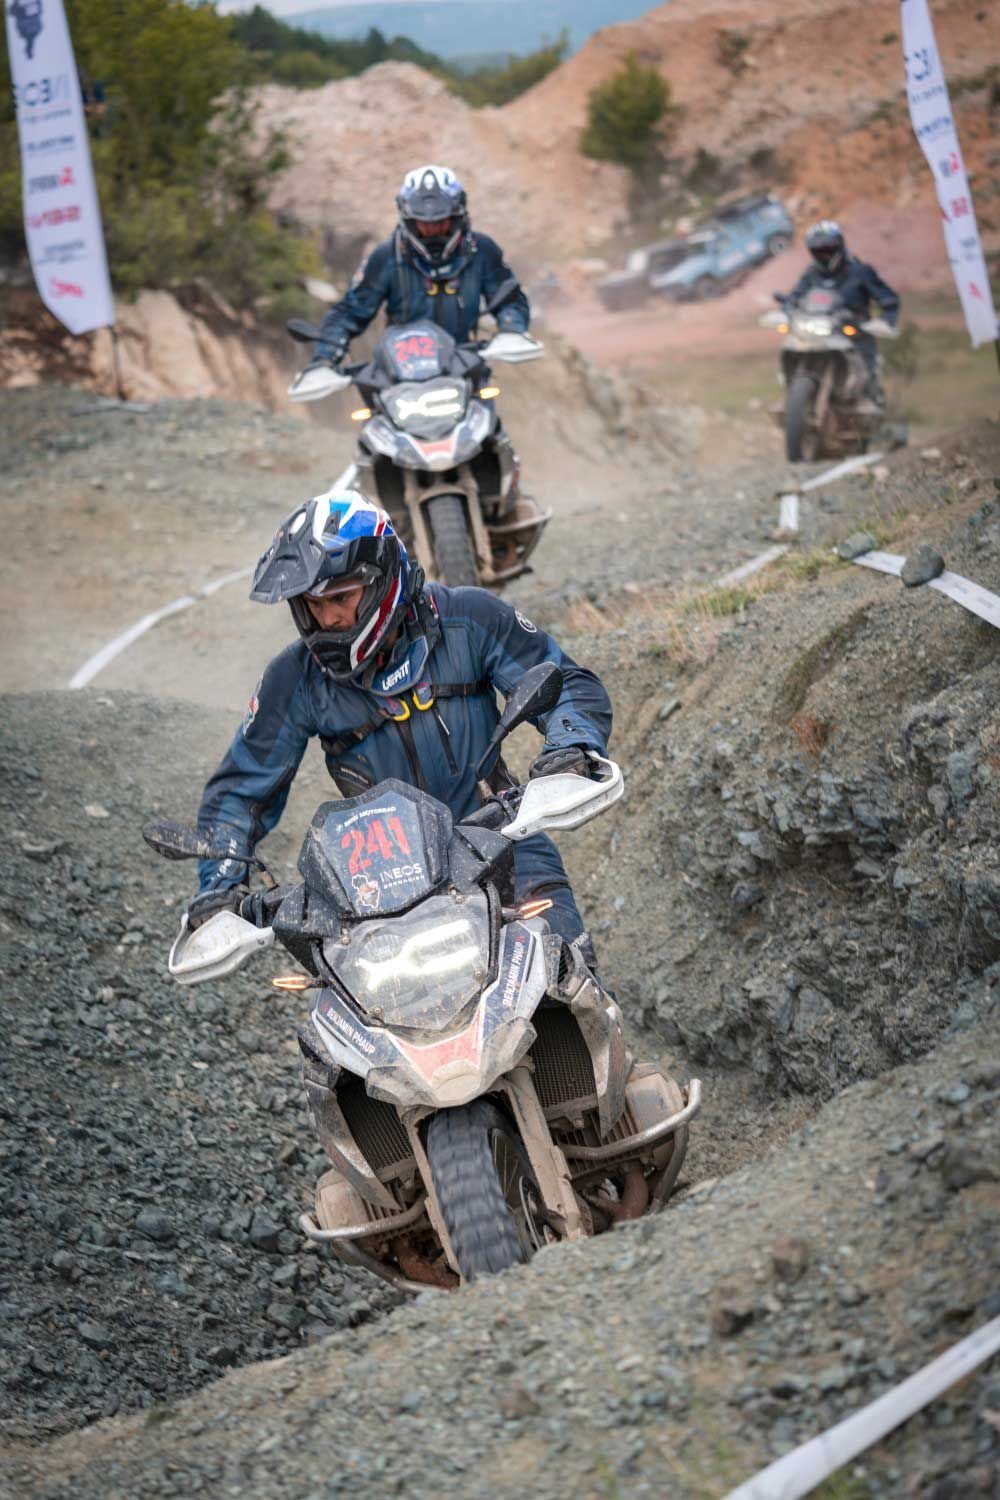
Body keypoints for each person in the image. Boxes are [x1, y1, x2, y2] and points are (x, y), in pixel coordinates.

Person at [187, 489, 611, 971]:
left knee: (569, 983)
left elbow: (565, 681)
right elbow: (239, 792)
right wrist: (220, 887)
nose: (326, 618)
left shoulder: (469, 618)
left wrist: (571, 747)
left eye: (340, 598)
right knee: (358, 1035)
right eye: (310, 604)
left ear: (382, 577)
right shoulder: (296, 679)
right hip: (381, 894)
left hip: (507, 847)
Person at [306, 164, 531, 372]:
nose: (432, 229)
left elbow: (508, 298)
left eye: (441, 221)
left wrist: (512, 329)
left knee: (487, 415)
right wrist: (325, 358)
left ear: (457, 216)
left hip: (466, 368)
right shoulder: (386, 257)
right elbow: (350, 312)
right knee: (373, 416)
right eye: (424, 223)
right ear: (408, 219)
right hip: (401, 375)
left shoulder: (481, 250)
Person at [784, 220, 900, 398]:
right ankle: (791, 394)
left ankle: (872, 398)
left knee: (868, 368)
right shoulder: (811, 273)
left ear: (839, 246)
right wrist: (787, 310)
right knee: (792, 345)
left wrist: (887, 320)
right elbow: (795, 296)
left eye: (828, 250)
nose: (824, 255)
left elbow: (888, 299)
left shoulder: (860, 271)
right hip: (820, 332)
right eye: (819, 251)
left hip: (855, 332)